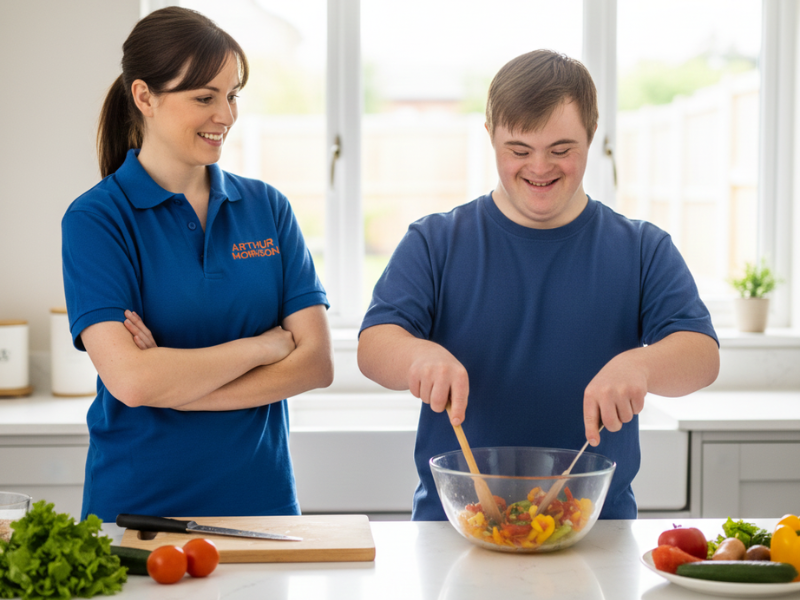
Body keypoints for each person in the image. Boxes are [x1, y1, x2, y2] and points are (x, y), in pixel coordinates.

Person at [357, 50, 719, 521]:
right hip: (454, 530)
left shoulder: (642, 247)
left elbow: (702, 356)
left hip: (599, 531)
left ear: (592, 136)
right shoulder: (436, 241)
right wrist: (417, 355)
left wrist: (643, 365)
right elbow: (373, 347)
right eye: (520, 150)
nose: (541, 168)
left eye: (562, 149)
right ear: (490, 137)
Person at [61, 7, 333, 522]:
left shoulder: (267, 209)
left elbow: (316, 363)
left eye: (231, 96)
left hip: (263, 506)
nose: (225, 116)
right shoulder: (96, 220)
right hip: (139, 513)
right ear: (145, 97)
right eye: (204, 97)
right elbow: (134, 382)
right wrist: (264, 346)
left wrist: (180, 391)